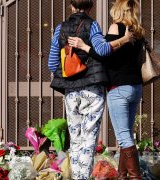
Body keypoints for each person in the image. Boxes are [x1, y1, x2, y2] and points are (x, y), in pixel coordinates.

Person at [47, 0, 134, 179]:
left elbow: (52, 63)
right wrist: (124, 39)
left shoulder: (59, 28)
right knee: (88, 139)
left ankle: (77, 175)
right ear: (90, 7)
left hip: (71, 91)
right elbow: (102, 50)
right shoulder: (92, 24)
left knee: (76, 138)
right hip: (92, 89)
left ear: (71, 6)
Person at [67, 0, 144, 179]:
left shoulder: (116, 28)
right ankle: (122, 176)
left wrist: (83, 46)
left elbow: (103, 54)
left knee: (123, 137)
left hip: (119, 88)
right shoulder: (137, 31)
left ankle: (135, 177)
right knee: (127, 136)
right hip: (135, 87)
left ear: (118, 10)